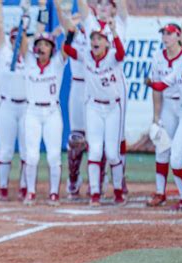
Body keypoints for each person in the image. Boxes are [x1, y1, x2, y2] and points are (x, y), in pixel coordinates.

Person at [64, 18, 126, 206]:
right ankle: (95, 195)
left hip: (113, 107)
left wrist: (114, 33)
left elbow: (121, 54)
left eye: (99, 38)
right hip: (93, 107)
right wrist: (71, 33)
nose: (95, 42)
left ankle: (117, 191)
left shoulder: (112, 55)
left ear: (106, 41)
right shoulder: (87, 56)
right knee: (95, 151)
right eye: (93, 38)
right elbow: (67, 50)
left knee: (113, 153)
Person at [20, 0, 69, 206]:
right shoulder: (29, 60)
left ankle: (53, 193)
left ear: (52, 48)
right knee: (31, 156)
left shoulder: (58, 62)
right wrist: (25, 13)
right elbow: (22, 41)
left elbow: (69, 40)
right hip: (32, 111)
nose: (42, 48)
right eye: (39, 44)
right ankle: (30, 191)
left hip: (51, 112)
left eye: (46, 45)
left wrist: (63, 18)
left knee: (53, 155)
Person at [147, 11, 182, 207]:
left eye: (169, 33)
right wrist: (150, 84)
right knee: (170, 152)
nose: (165, 37)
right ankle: (179, 197)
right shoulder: (169, 62)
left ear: (177, 36)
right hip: (178, 108)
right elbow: (160, 86)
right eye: (163, 34)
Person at [78, 0, 128, 194]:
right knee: (95, 146)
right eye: (100, 4)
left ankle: (119, 181)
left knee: (116, 143)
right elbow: (82, 7)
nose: (103, 7)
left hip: (116, 83)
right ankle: (96, 186)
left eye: (108, 4)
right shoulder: (91, 24)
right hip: (94, 88)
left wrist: (114, 29)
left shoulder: (120, 23)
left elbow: (122, 8)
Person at [0, 0, 28, 201]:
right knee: (5, 149)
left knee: (26, 149)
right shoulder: (4, 52)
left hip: (26, 107)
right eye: (14, 38)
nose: (17, 41)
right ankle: (3, 187)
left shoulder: (31, 57)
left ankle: (25, 186)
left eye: (20, 38)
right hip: (6, 105)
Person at [54, 0, 88, 199]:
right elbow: (64, 22)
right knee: (76, 139)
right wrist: (59, 6)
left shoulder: (98, 27)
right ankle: (73, 180)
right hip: (77, 85)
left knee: (96, 139)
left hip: (95, 85)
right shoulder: (73, 26)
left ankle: (98, 183)